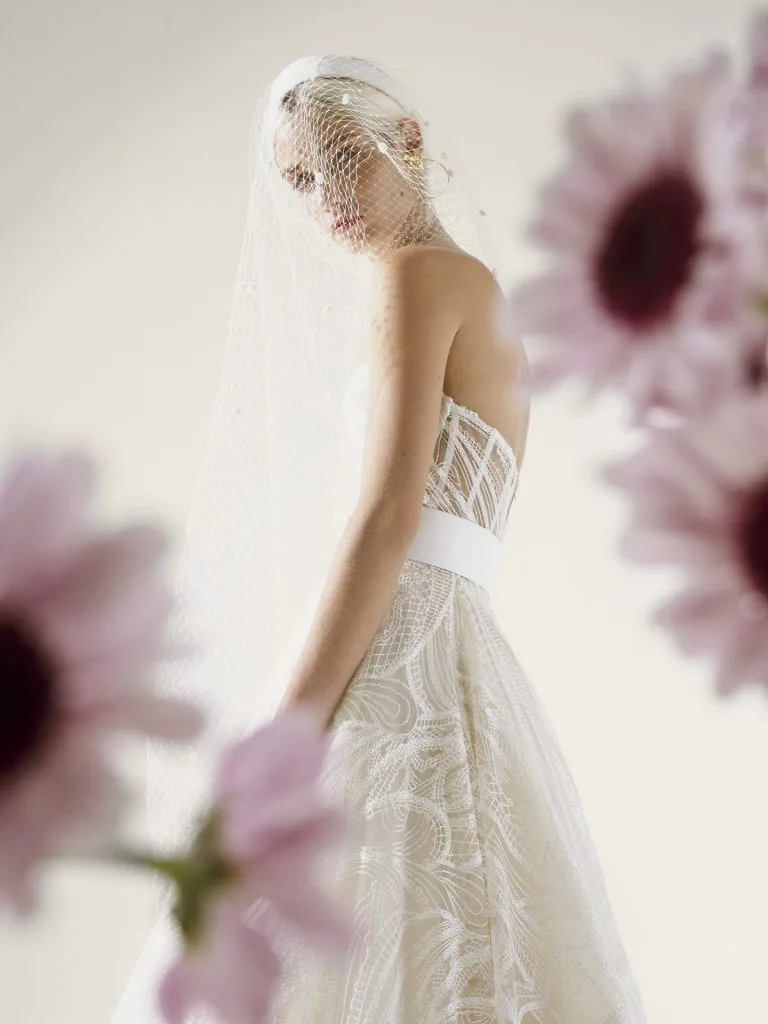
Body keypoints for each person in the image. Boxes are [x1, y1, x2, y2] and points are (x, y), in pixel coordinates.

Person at [115, 55, 646, 1024]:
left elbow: (389, 517)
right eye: (299, 181)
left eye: (340, 161)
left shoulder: (414, 277)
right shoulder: (482, 292)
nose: (325, 203)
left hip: (405, 655)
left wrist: (282, 735)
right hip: (469, 660)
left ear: (408, 141)